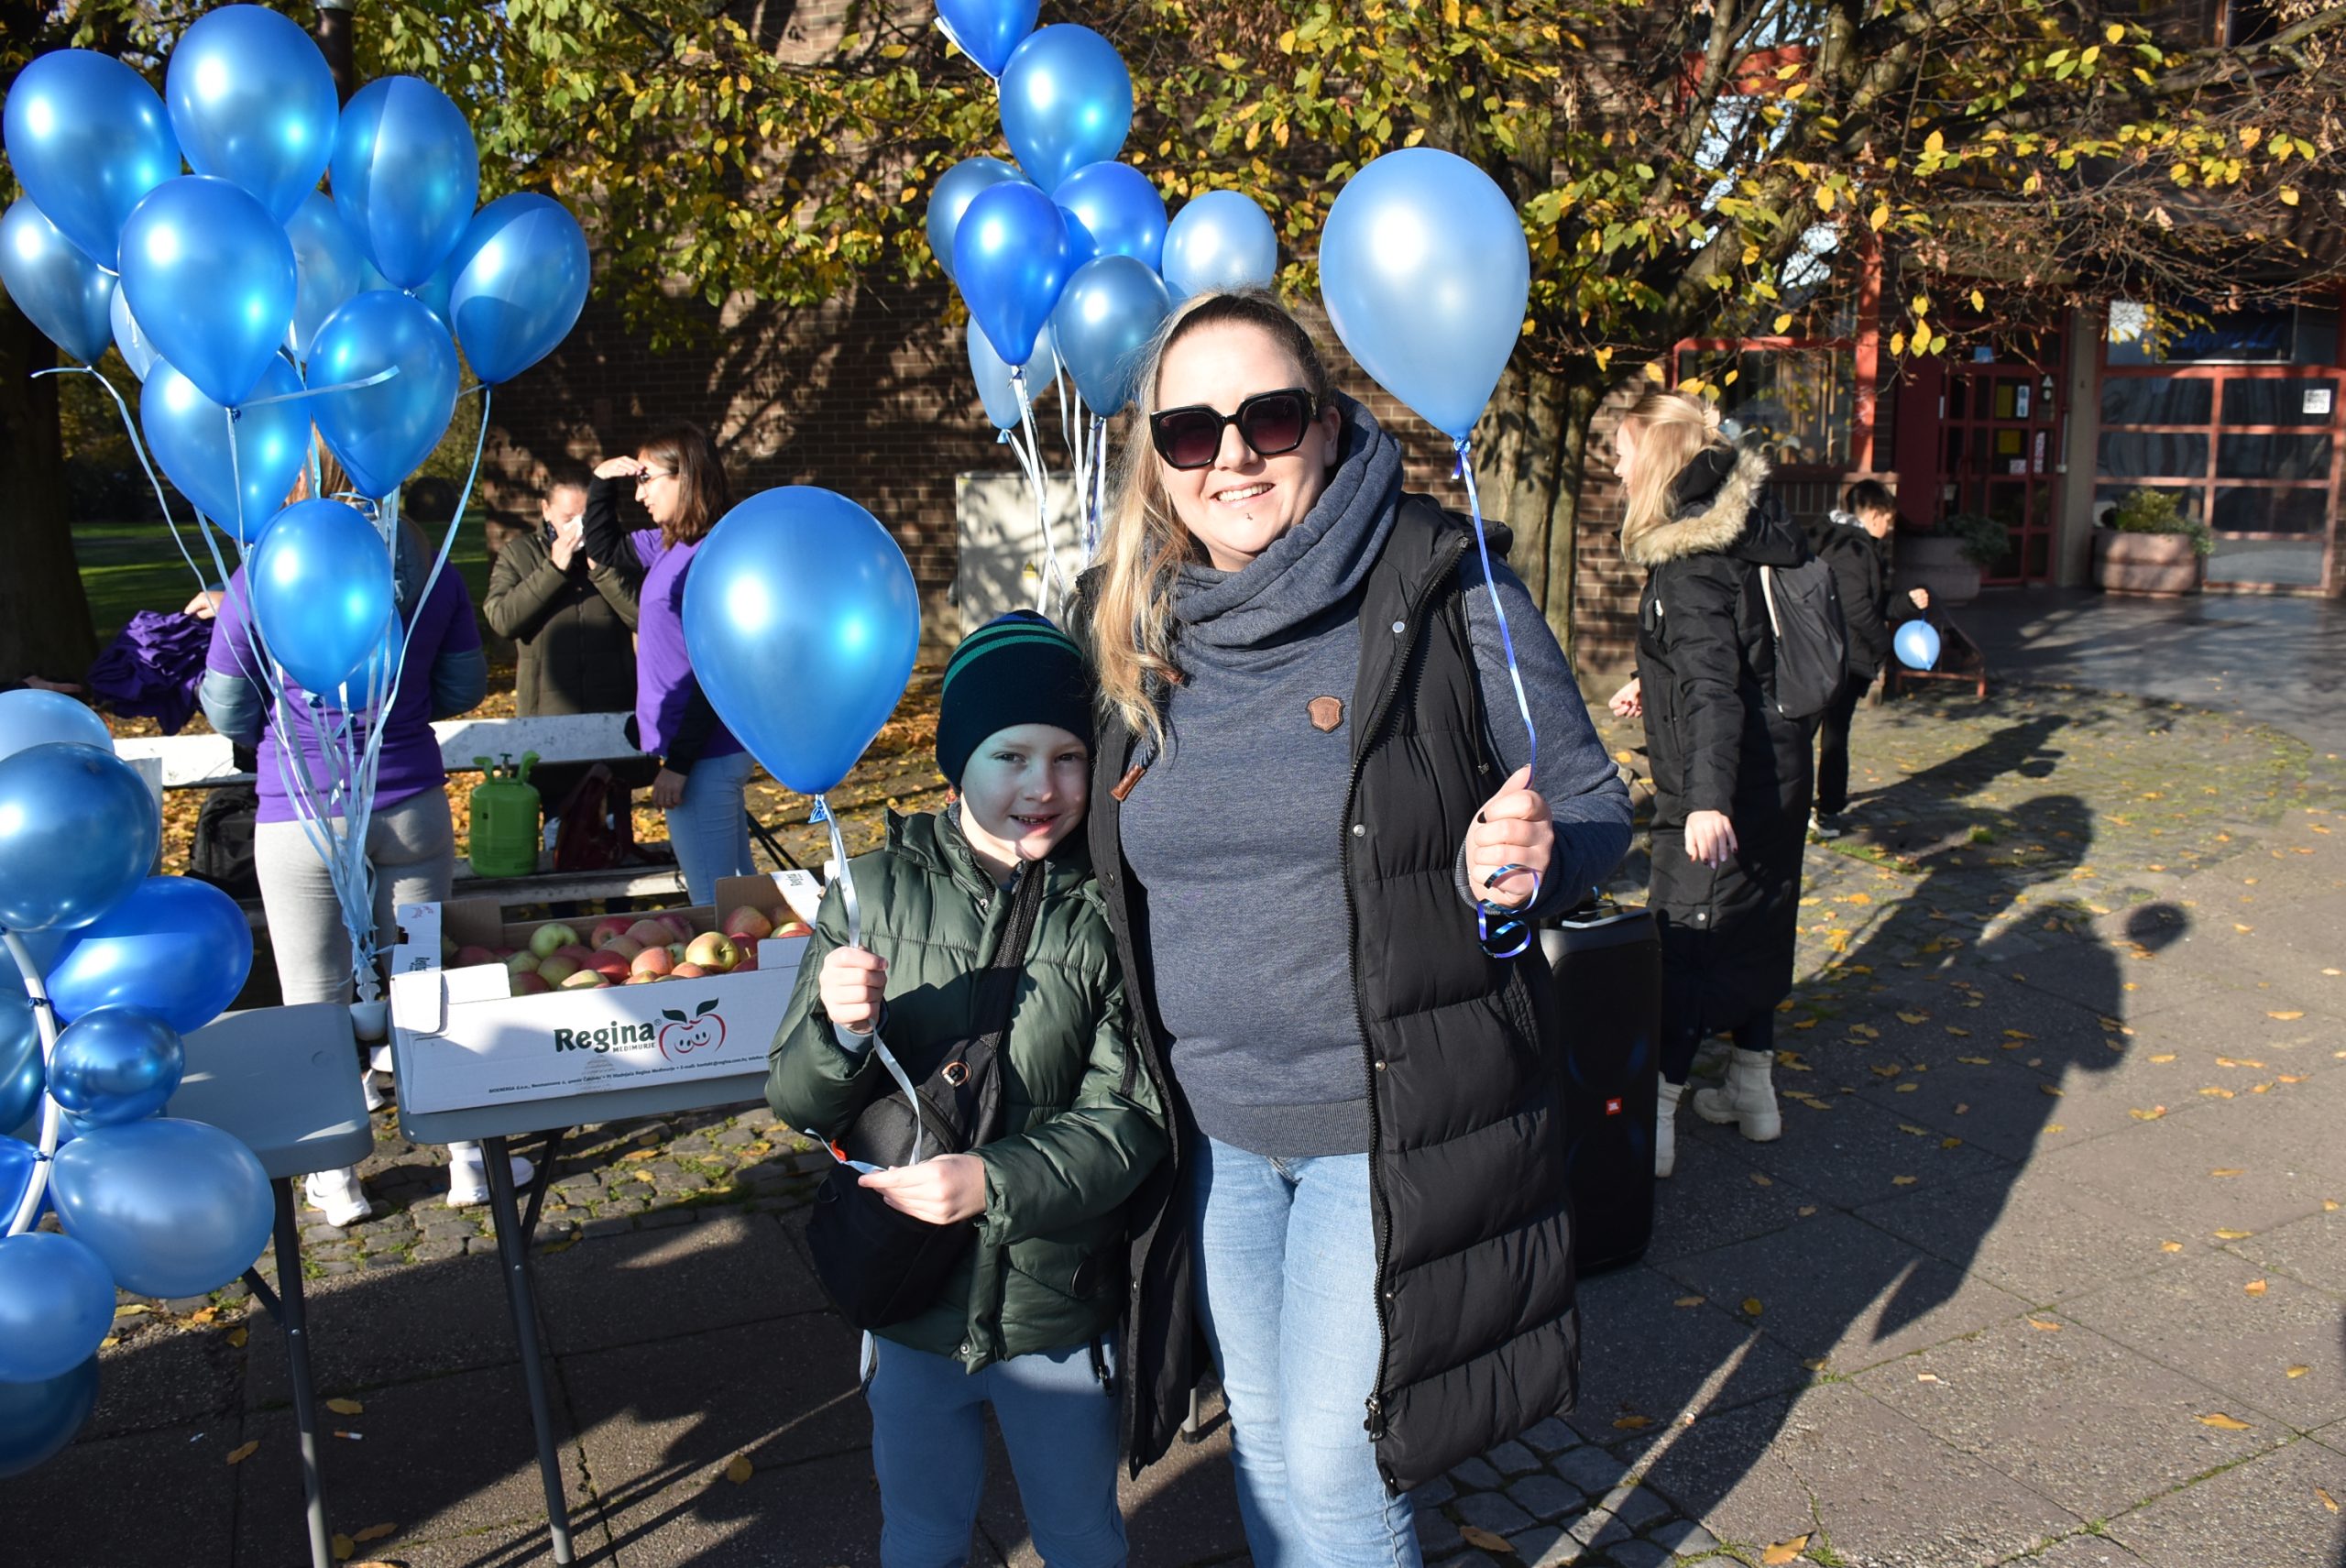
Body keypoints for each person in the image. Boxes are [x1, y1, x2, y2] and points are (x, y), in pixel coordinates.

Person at [1079, 290, 1632, 1561]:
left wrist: (1533, 864)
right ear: (1156, 458)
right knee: (1267, 1448)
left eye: (1267, 416)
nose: (1232, 455)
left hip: (1379, 1126)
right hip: (1212, 1131)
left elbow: (1594, 806)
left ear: (1326, 426)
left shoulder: (1441, 581)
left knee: (1336, 1462)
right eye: (1191, 430)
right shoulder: (1134, 628)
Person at [768, 610, 1166, 1568]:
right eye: (1011, 755)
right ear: (956, 761)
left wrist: (995, 1182)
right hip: (909, 1305)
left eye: (1070, 757)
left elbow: (1131, 1116)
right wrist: (840, 1029)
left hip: (1052, 1306)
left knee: (1079, 1533)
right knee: (921, 1529)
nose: (1043, 786)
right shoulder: (870, 891)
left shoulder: (1110, 909)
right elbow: (797, 1098)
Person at [200, 464, 532, 1222]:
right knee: (424, 982)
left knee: (311, 1002)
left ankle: (334, 1173)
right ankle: (467, 1155)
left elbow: (226, 702)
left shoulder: (261, 573)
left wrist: (272, 729)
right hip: (408, 803)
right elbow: (465, 685)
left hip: (300, 813)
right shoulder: (427, 564)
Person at [1604, 391, 1814, 1179]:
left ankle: (1653, 1124)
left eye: (1623, 452)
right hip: (1782, 771)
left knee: (1687, 940)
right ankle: (1753, 1094)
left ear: (1656, 458)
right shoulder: (1751, 531)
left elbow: (1713, 689)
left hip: (1719, 784)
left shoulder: (1688, 560)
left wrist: (1703, 803)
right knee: (1758, 926)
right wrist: (1642, 677)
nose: (1615, 468)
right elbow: (1733, 650)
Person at [581, 425, 753, 906]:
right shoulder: (669, 544)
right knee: (738, 893)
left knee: (716, 904)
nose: (639, 494)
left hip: (704, 756)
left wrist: (679, 764)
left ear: (686, 478)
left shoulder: (712, 555)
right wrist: (601, 481)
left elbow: (714, 671)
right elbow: (603, 548)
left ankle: (744, 983)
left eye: (646, 478)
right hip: (696, 755)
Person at [480, 475, 651, 819]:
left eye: (587, 518)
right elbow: (502, 619)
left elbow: (645, 619)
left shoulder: (616, 554)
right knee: (559, 825)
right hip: (548, 717)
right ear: (545, 511)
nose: (578, 528)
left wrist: (603, 572)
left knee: (615, 823)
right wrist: (553, 569)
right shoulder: (518, 554)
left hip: (612, 713)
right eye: (567, 518)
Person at [1804, 478, 1928, 839]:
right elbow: (1856, 607)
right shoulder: (1851, 549)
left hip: (1832, 656)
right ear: (1873, 513)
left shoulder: (1851, 544)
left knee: (1818, 737)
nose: (1888, 528)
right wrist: (1883, 644)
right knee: (1820, 738)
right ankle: (1822, 812)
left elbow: (1870, 602)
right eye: (1886, 519)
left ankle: (1820, 809)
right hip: (1837, 659)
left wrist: (1905, 603)